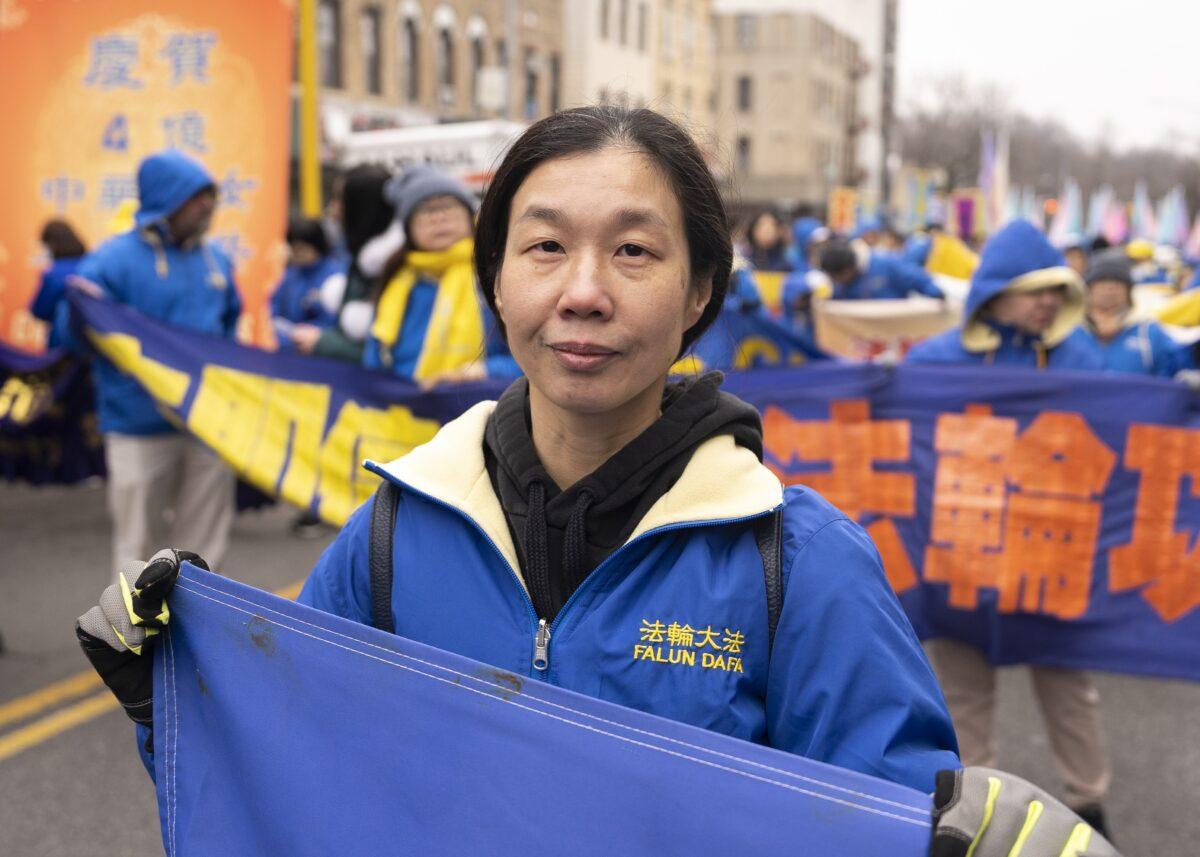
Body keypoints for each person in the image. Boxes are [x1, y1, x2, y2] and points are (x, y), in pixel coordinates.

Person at [75, 109, 1119, 857]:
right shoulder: (392, 532)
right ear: (496, 282)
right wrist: (177, 695)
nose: (583, 292)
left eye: (632, 250)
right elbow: (304, 773)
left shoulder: (797, 563)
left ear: (699, 287)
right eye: (544, 247)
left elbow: (879, 818)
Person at [907, 218, 1114, 838]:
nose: (1048, 300)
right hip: (964, 555)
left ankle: (1091, 804)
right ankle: (979, 821)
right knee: (966, 697)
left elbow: (1127, 430)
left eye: (1056, 288)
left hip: (1050, 558)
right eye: (1033, 288)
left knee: (1069, 690)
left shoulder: (1080, 358)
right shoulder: (936, 359)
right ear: (994, 291)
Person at [64, 149, 241, 578]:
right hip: (137, 424)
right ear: (166, 197)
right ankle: (131, 639)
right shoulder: (111, 261)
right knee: (137, 545)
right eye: (195, 195)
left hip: (205, 420)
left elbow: (230, 326)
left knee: (202, 547)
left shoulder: (217, 260)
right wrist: (77, 310)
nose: (207, 205)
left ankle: (193, 633)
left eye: (210, 195)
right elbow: (72, 335)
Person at [363, 166, 517, 382]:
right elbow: (373, 361)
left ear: (470, 215)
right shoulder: (397, 282)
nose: (439, 217)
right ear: (408, 228)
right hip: (402, 412)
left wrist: (481, 372)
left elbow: (532, 362)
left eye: (448, 205)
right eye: (425, 210)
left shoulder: (496, 276)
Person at [293, 164, 398, 361]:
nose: (332, 210)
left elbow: (389, 356)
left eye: (339, 200)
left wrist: (323, 343)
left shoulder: (394, 268)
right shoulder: (361, 261)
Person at [1068, 251, 1189, 377]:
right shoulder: (1068, 331)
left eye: (1118, 282)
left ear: (1129, 292)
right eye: (1102, 281)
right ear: (1088, 290)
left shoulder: (1149, 333)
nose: (1110, 288)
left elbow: (1177, 365)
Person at [270, 217, 343, 351]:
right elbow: (273, 306)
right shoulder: (290, 274)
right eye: (293, 248)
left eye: (302, 249)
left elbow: (335, 322)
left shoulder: (335, 276)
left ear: (316, 246)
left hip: (318, 350)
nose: (297, 254)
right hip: (286, 347)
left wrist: (310, 333)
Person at [819, 237, 945, 301]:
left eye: (837, 278)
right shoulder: (840, 285)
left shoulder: (886, 264)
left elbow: (915, 277)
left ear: (847, 270)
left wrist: (934, 292)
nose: (837, 282)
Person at [29, 219, 88, 348]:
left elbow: (39, 311)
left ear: (51, 245)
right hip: (93, 345)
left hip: (61, 346)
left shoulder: (54, 273)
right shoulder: (92, 266)